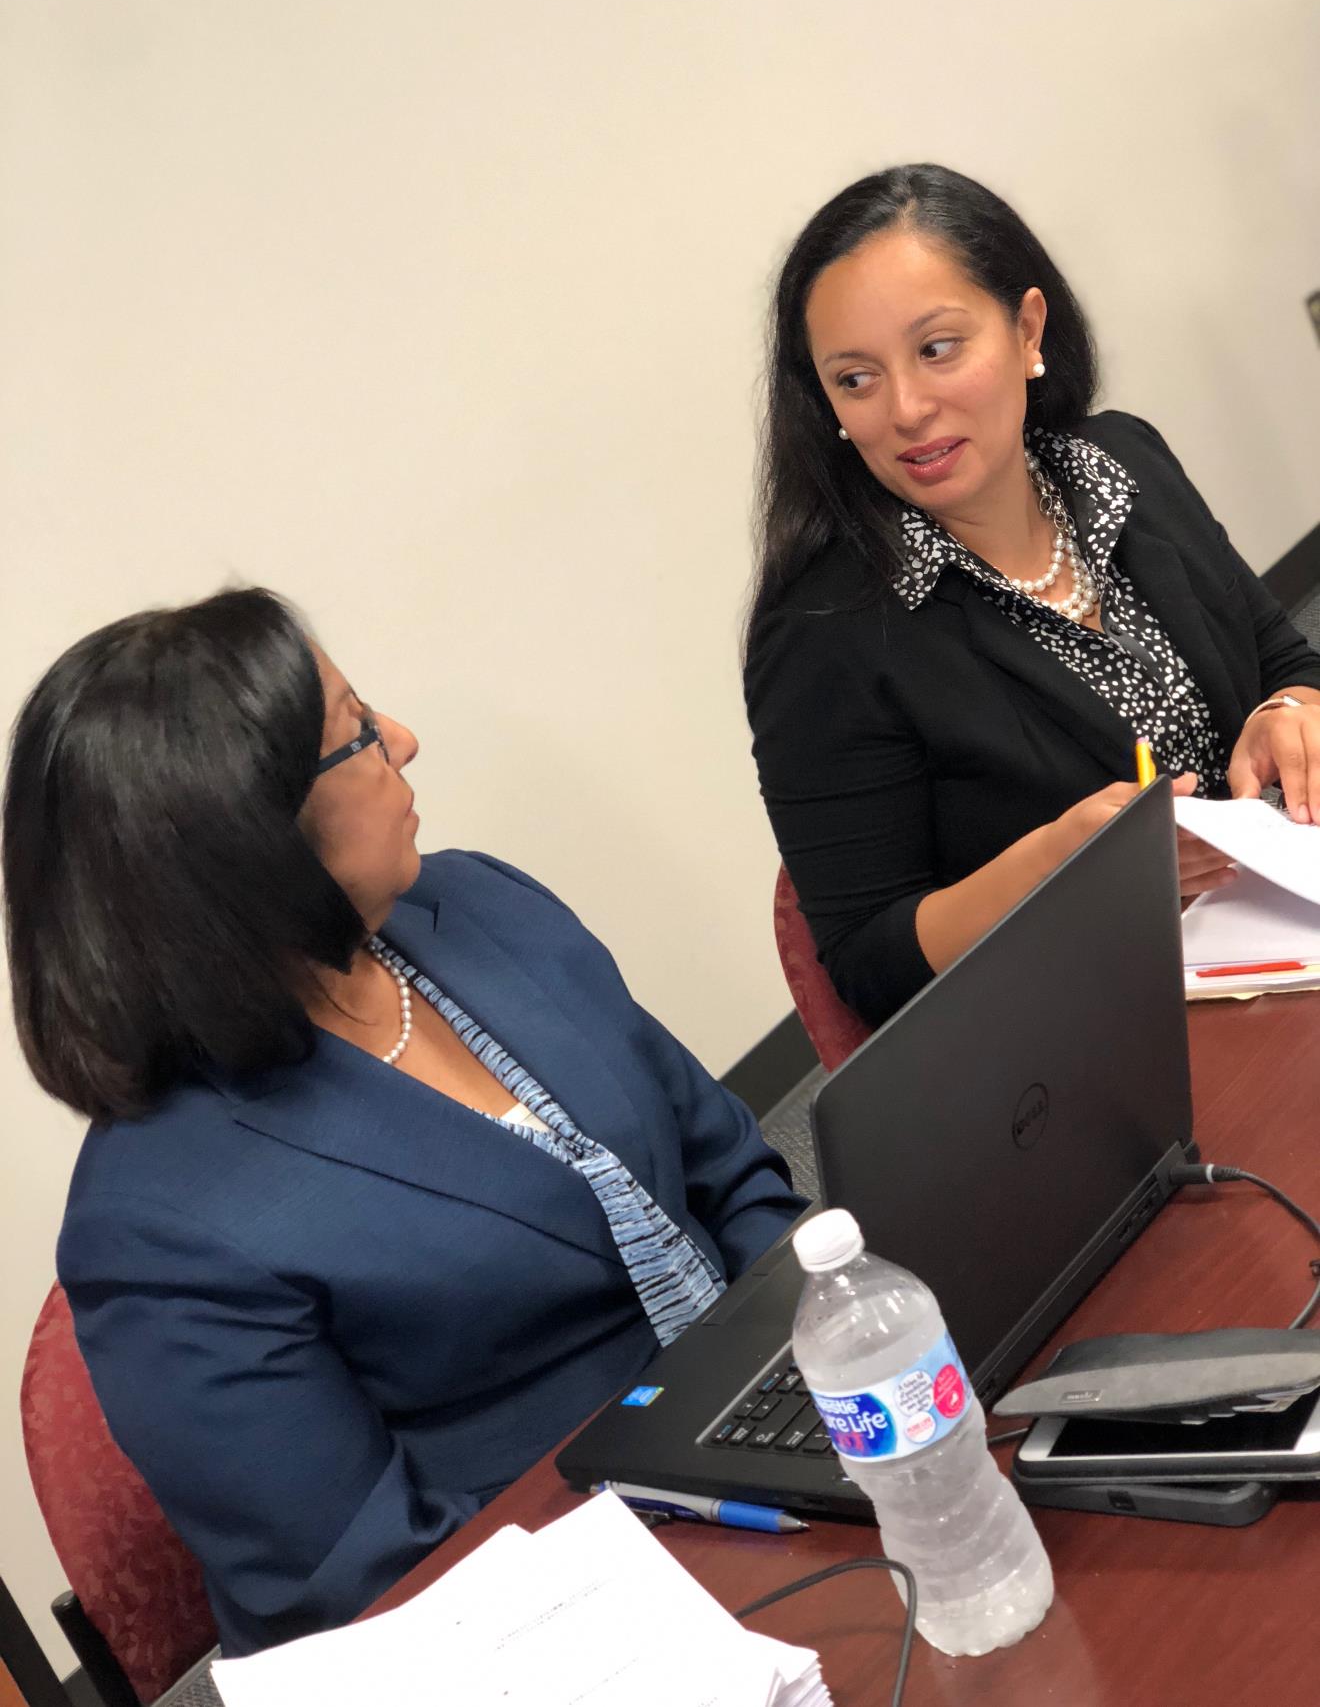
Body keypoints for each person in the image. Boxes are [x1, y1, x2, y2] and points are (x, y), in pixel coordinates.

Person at [3, 588, 805, 1655]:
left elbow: (728, 1166)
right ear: (248, 843)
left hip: (772, 1440)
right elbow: (371, 1582)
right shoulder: (158, 1228)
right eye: (359, 736)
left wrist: (825, 1340)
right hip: (575, 1616)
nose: (406, 742)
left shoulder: (478, 907)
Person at [745, 163, 1320, 1028]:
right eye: (856, 379)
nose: (905, 408)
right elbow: (869, 965)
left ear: (1026, 329)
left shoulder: (1124, 462)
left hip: (1278, 948)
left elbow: (1285, 655)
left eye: (937, 349)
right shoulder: (822, 636)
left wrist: (1290, 705)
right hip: (1094, 1033)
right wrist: (1052, 872)